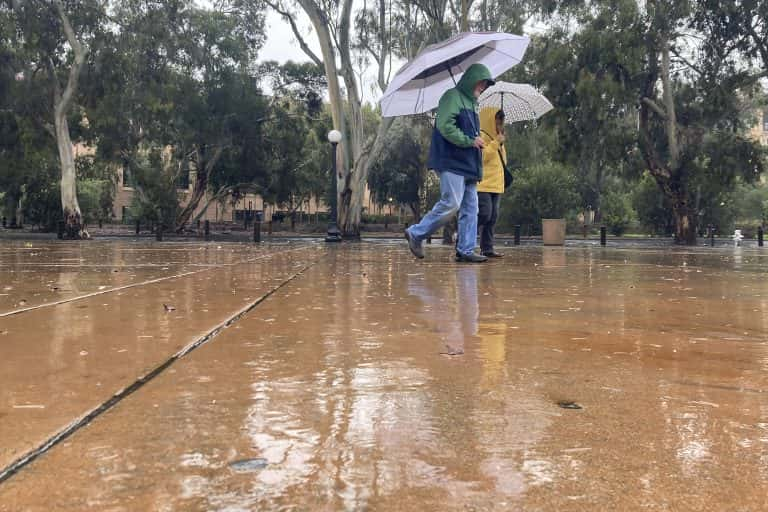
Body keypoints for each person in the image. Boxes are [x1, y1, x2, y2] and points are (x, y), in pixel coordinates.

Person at [404, 63, 494, 263]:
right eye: (481, 83)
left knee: (472, 209)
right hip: (452, 161)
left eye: (486, 85)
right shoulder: (451, 97)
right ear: (472, 79)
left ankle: (466, 249)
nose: (483, 87)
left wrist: (476, 140)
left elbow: (465, 131)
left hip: (469, 165)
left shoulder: (472, 103)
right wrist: (470, 140)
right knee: (451, 203)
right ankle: (416, 233)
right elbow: (445, 126)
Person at [477, 108, 506, 258]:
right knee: (484, 214)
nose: (499, 126)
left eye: (501, 123)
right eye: (497, 122)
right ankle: (463, 235)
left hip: (496, 185)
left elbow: (501, 163)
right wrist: (496, 143)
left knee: (493, 217)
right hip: (483, 184)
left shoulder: (498, 139)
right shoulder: (481, 136)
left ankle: (487, 248)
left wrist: (499, 143)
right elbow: (481, 158)